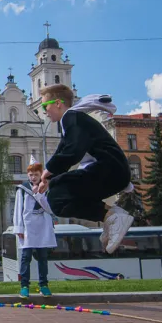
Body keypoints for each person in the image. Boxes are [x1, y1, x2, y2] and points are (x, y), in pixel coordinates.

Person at [33, 87, 134, 254]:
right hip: (110, 173)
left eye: (45, 106)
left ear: (58, 103)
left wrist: (49, 172)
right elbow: (62, 152)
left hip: (111, 170)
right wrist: (48, 179)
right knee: (57, 201)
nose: (44, 112)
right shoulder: (71, 123)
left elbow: (73, 151)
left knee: (58, 191)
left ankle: (114, 216)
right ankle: (110, 216)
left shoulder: (72, 117)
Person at [13, 159, 57, 299]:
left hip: (43, 226)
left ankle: (43, 285)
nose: (33, 177)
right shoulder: (23, 189)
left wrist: (39, 194)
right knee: (26, 257)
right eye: (30, 174)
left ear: (41, 174)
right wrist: (19, 228)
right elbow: (18, 209)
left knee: (42, 257)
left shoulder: (47, 188)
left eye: (36, 174)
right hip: (28, 227)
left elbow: (50, 209)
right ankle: (24, 286)